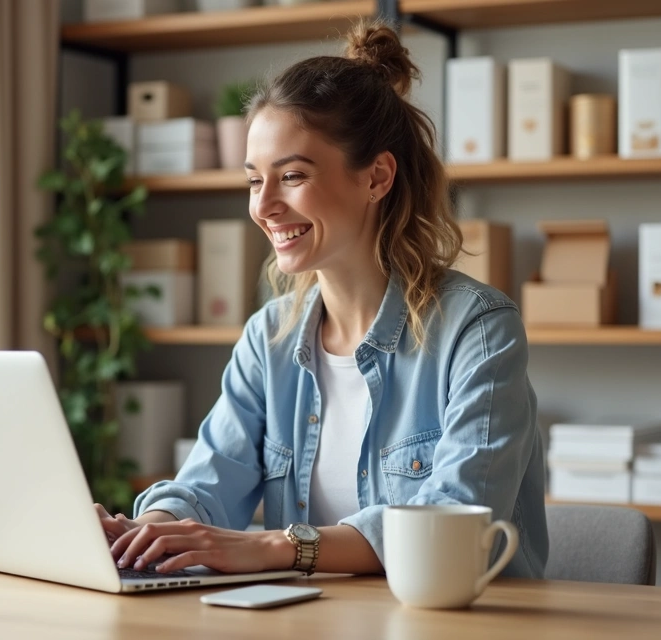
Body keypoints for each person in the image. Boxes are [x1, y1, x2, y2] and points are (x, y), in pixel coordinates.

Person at [98, 20, 548, 579]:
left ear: (377, 177)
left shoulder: (477, 330)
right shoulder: (271, 338)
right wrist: (149, 531)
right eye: (252, 180)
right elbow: (206, 484)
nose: (263, 206)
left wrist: (277, 547)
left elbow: (456, 518)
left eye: (291, 175)